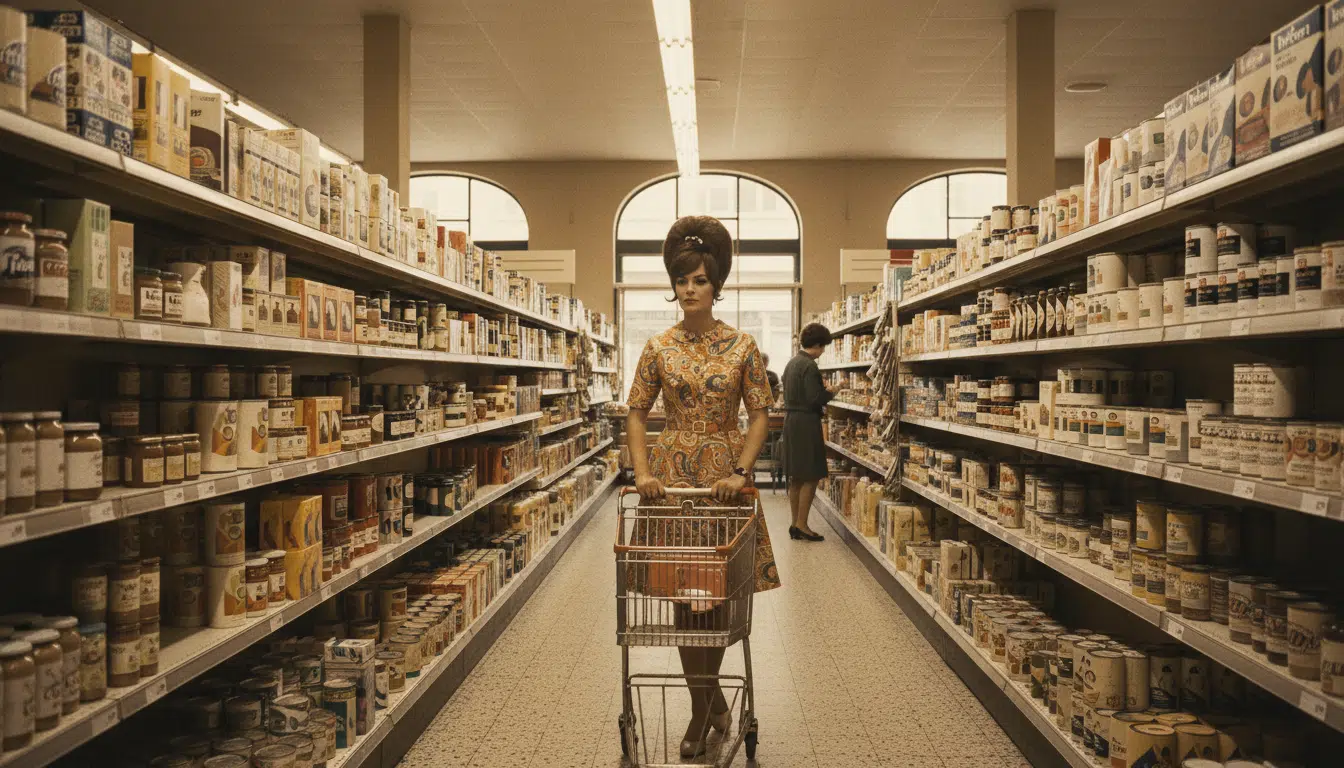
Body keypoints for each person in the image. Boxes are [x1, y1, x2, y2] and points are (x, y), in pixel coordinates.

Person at [626, 215, 778, 759]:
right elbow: (637, 413)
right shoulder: (658, 346)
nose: (689, 290)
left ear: (717, 286)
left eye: (699, 281)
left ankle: (699, 709)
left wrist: (741, 469)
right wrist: (642, 472)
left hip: (721, 485)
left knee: (712, 601)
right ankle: (708, 704)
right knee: (681, 598)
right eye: (682, 280)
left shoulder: (742, 345)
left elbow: (761, 413)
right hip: (671, 487)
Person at [781, 322, 835, 542]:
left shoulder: (792, 363)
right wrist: (831, 391)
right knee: (811, 476)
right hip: (806, 422)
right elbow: (815, 398)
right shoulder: (810, 366)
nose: (823, 352)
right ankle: (803, 525)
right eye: (823, 347)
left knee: (796, 477)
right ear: (818, 344)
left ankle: (795, 523)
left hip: (791, 420)